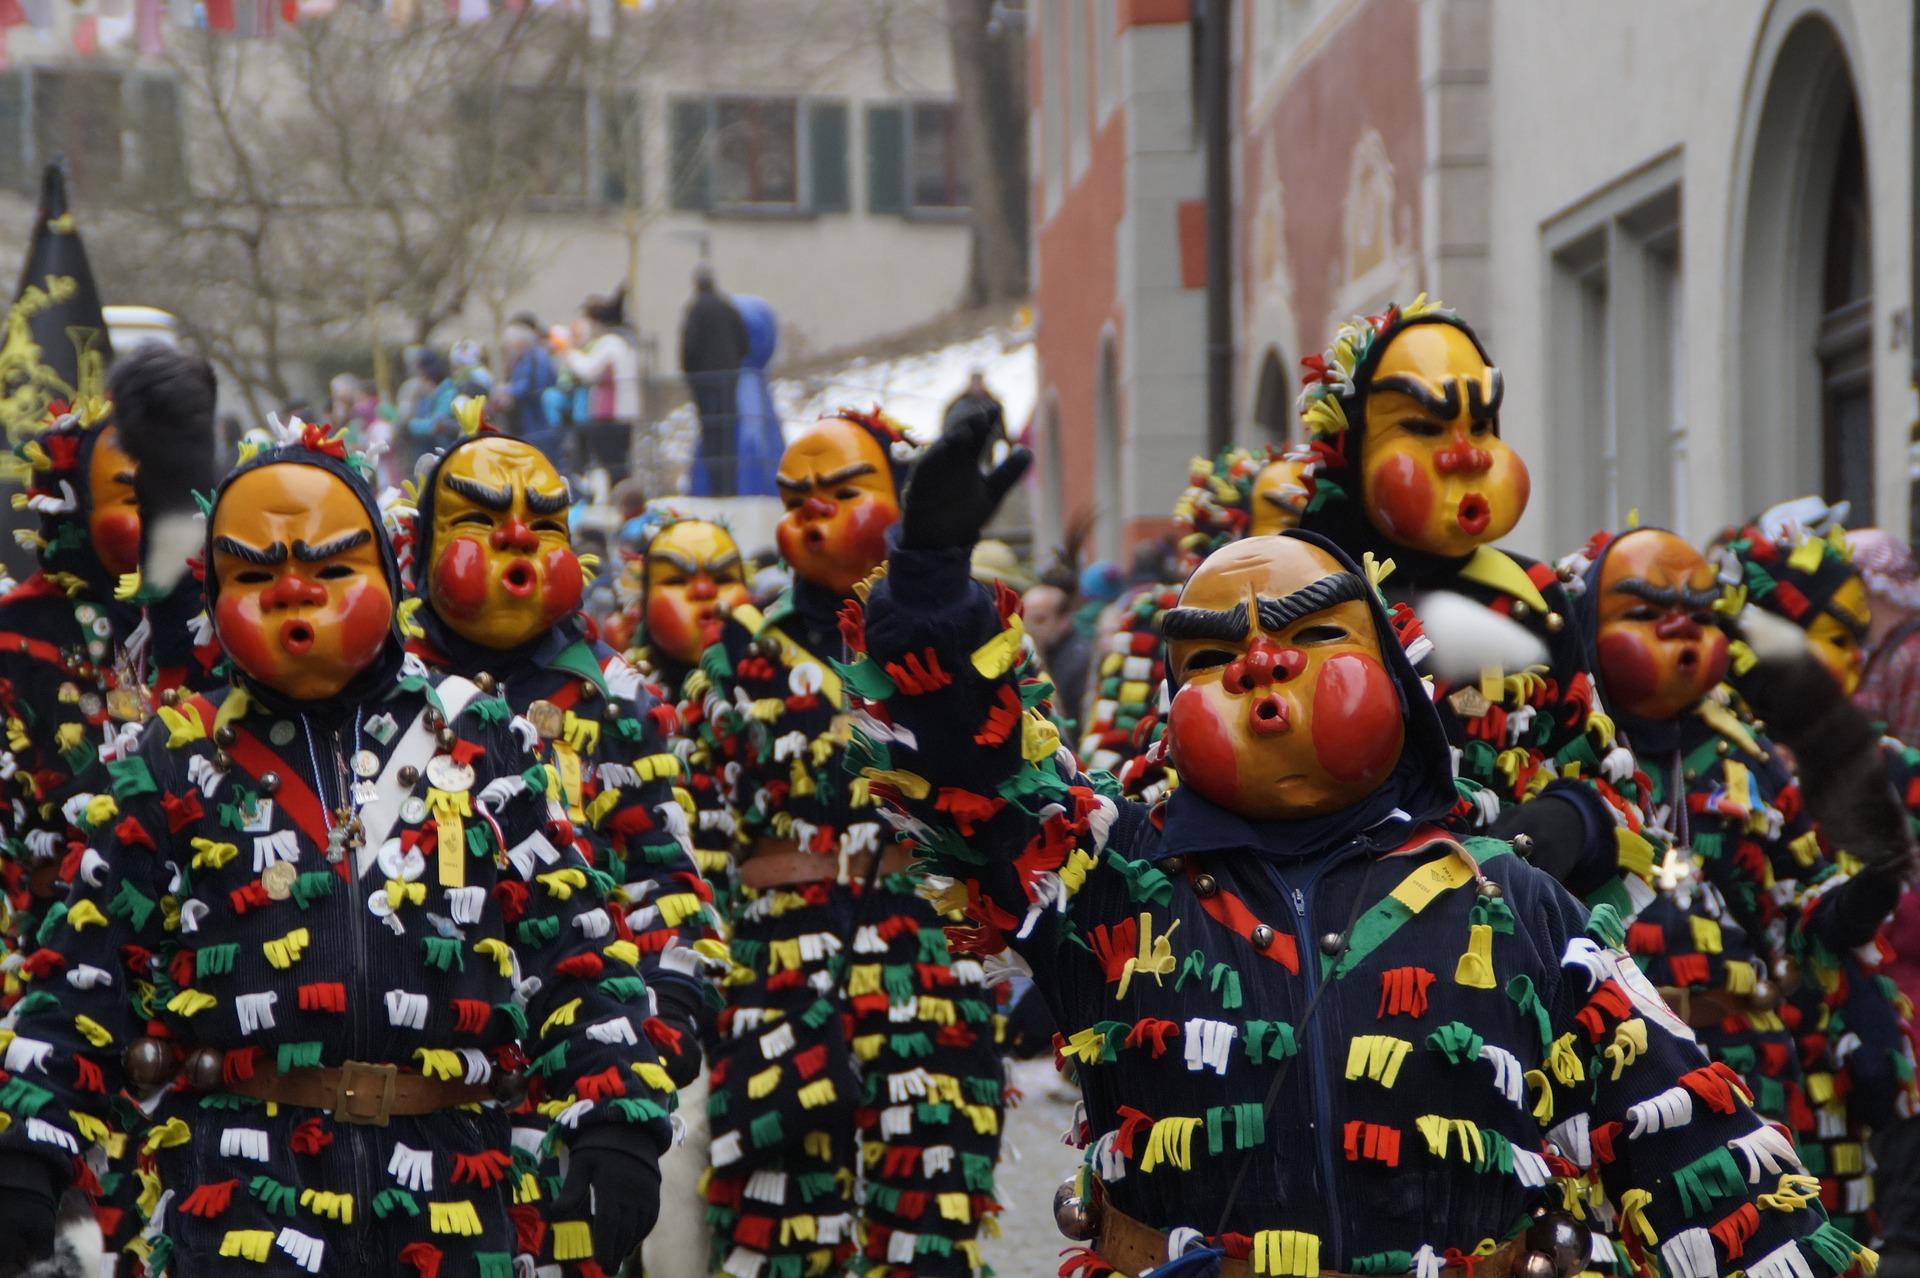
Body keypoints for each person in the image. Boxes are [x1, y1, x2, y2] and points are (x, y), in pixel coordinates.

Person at [848, 408, 1875, 1278]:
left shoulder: (1514, 905)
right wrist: (928, 591)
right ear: (1168, 708)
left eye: (1312, 636)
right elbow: (974, 776)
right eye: (1213, 654)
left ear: (1399, 681)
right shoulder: (1111, 883)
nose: (1259, 666)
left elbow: (1707, 1161)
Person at [0, 421, 671, 1276]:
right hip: (241, 1199)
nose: (292, 594)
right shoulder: (168, 758)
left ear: (388, 575)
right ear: (214, 595)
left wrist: (618, 1125)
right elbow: (79, 978)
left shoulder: (478, 732)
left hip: (454, 1190)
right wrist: (27, 1154)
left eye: (328, 568)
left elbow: (576, 944)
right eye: (254, 574)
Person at [397, 417, 727, 1276]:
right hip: (420, 1093)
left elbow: (668, 880)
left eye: (544, 525)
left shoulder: (617, 699)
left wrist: (662, 1020)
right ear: (421, 543)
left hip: (584, 1078)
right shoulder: (379, 688)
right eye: (480, 520)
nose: (517, 541)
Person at [700, 408, 1005, 1278]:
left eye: (842, 492)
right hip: (775, 978)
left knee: (930, 1217)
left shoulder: (975, 635)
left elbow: (1021, 796)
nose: (812, 514)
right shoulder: (734, 653)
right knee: (778, 1218)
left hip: (930, 969)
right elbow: (696, 842)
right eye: (794, 497)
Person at [1566, 524, 1912, 1250]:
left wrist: (1876, 880)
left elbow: (1809, 913)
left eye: (1700, 611)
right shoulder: (1566, 754)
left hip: (1749, 1063)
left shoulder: (1747, 756)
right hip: (1613, 1068)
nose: (1679, 629)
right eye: (1646, 611)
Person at [1296, 298, 1653, 918]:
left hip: (1510, 942)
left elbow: (1611, 779)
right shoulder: (1298, 587)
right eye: (1425, 428)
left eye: (1483, 426)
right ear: (1351, 445)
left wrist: (1569, 822)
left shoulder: (1531, 593)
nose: (1468, 454)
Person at [678, 265, 748, 498]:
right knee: (727, 434)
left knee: (710, 433)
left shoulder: (695, 309)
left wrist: (690, 377)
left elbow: (689, 347)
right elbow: (743, 341)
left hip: (705, 383)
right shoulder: (727, 306)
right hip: (728, 380)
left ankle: (715, 489)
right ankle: (730, 487)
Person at [569, 287, 640, 485]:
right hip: (623, 414)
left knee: (613, 463)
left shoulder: (609, 344)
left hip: (609, 414)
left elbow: (588, 369)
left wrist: (570, 353)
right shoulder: (625, 343)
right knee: (618, 462)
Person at [1023, 581, 1093, 731]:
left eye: (1040, 620)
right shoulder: (1044, 652)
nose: (1030, 628)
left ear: (1064, 619)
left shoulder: (1078, 659)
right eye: (1024, 619)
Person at [495, 315, 562, 465]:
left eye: (509, 345)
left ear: (519, 342)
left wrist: (508, 391)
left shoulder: (536, 358)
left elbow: (532, 385)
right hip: (530, 426)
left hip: (538, 425)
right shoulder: (526, 359)